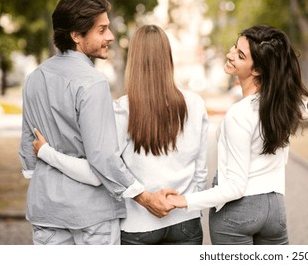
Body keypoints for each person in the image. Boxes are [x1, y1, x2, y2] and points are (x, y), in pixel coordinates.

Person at [18, 0, 174, 245]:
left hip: (46, 210)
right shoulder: (93, 83)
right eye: (101, 30)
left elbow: (28, 149)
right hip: (92, 214)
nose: (110, 37)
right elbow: (102, 157)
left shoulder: (34, 78)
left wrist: (45, 182)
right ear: (76, 35)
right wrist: (143, 196)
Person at [30, 24, 209, 245]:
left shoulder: (122, 110)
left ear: (133, 61)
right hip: (186, 221)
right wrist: (191, 208)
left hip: (138, 227)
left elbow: (98, 171)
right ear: (168, 56)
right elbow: (201, 172)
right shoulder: (196, 104)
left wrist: (47, 153)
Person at [167, 24, 308, 245]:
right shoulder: (280, 109)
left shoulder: (239, 113)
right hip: (275, 210)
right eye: (235, 47)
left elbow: (234, 187)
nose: (230, 54)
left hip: (238, 212)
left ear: (257, 70)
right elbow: (279, 162)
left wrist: (183, 201)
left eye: (240, 55)